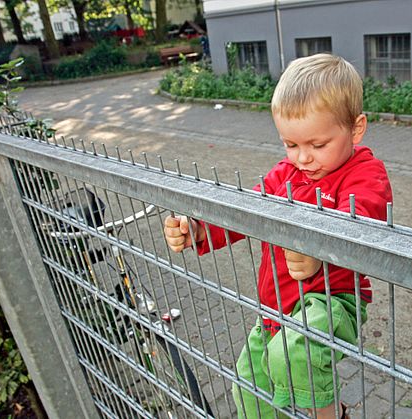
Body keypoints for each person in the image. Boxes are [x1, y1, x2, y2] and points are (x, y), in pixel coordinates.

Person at [163, 53, 393, 418]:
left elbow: (365, 221)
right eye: (291, 144)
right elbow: (248, 212)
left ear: (356, 128)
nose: (303, 158)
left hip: (332, 299)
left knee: (294, 352)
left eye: (317, 145)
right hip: (277, 307)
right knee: (250, 380)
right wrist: (199, 229)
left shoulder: (364, 173)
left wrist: (319, 250)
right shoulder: (284, 175)